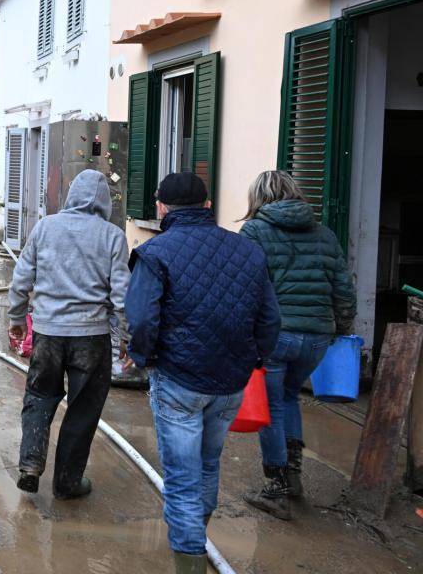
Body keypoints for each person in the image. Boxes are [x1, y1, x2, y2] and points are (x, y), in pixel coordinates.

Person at [125, 173, 280, 574]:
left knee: (181, 476)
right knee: (208, 464)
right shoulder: (247, 250)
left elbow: (141, 319)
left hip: (178, 379)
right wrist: (253, 360)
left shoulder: (155, 253)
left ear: (160, 207)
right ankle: (198, 532)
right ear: (208, 206)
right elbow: (269, 319)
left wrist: (142, 358)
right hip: (230, 380)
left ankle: (190, 558)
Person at [238, 171, 356, 520]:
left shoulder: (255, 231)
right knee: (289, 397)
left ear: (258, 196)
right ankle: (293, 475)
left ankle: (276, 488)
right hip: (318, 337)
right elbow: (344, 290)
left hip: (277, 336)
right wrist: (343, 328)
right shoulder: (324, 234)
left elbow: (247, 289)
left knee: (271, 406)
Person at [7, 170, 129, 500]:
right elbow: (122, 295)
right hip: (92, 337)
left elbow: (21, 280)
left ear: (71, 195)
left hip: (47, 333)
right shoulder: (113, 236)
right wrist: (128, 338)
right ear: (104, 201)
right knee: (83, 409)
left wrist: (17, 319)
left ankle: (31, 464)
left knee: (39, 398)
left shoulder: (46, 227)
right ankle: (67, 482)